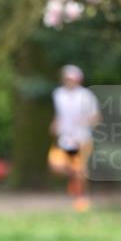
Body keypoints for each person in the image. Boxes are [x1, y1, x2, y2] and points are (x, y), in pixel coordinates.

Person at [48, 65, 100, 211]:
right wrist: (55, 124)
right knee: (55, 166)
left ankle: (82, 198)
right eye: (66, 79)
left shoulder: (86, 96)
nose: (68, 81)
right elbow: (60, 115)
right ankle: (74, 183)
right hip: (65, 138)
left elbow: (95, 117)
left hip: (81, 138)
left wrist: (84, 125)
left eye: (71, 79)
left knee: (80, 169)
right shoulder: (58, 94)